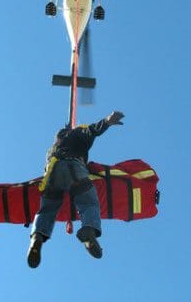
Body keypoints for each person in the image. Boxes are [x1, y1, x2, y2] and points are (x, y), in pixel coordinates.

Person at [27, 111, 125, 268]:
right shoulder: (76, 134)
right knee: (89, 203)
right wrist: (107, 121)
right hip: (74, 167)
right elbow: (91, 130)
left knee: (47, 209)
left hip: (52, 173)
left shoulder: (52, 150)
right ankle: (89, 230)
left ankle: (37, 237)